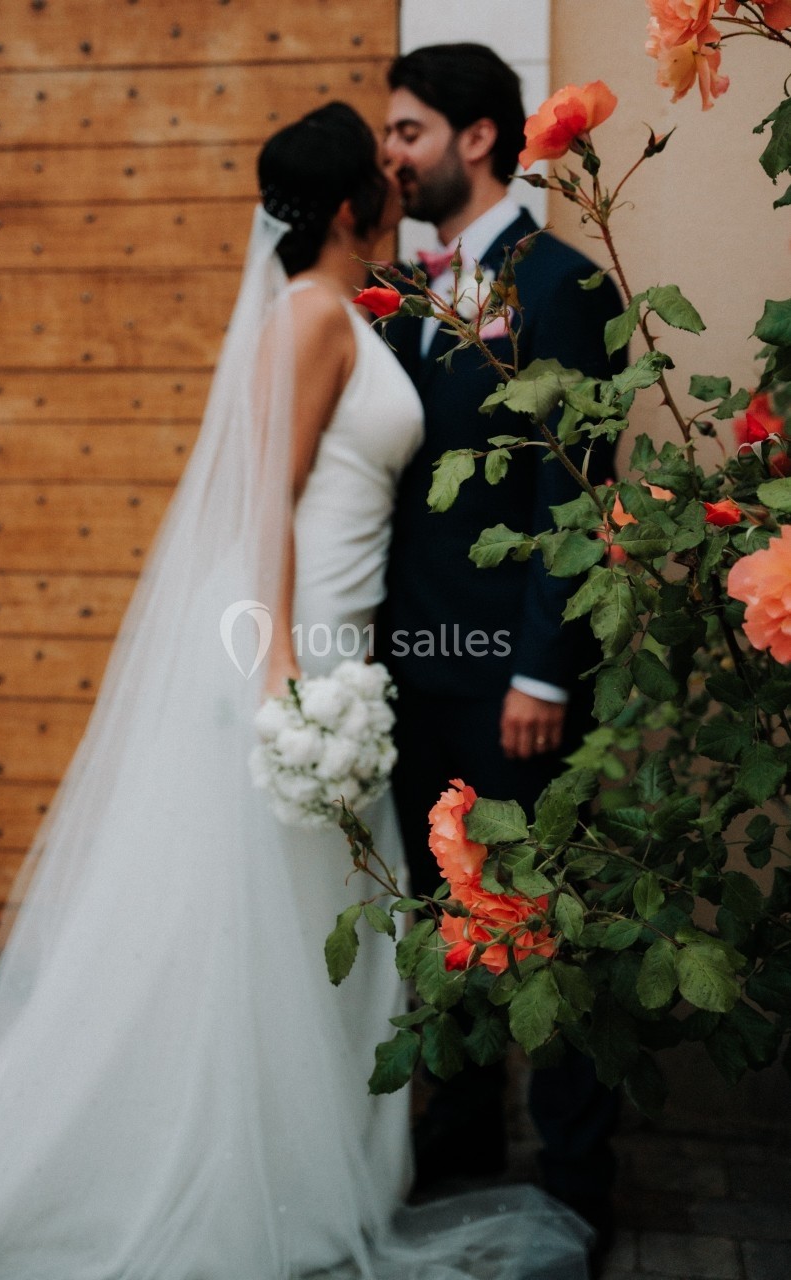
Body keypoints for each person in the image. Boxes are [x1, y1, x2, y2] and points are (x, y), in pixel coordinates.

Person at [0, 102, 593, 1280]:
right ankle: (238, 1172)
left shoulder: (342, 310)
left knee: (305, 939)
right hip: (283, 660)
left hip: (332, 660)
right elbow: (265, 507)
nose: (400, 176)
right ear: (354, 207)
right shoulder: (309, 321)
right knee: (266, 938)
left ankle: (307, 1167)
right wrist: (283, 667)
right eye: (382, 167)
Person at [379, 42, 623, 1251]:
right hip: (414, 672)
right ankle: (464, 1154)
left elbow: (573, 501)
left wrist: (542, 668)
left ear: (477, 138)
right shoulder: (406, 290)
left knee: (543, 914)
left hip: (510, 682)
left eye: (409, 130)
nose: (392, 153)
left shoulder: (564, 285)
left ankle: (576, 1185)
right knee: (445, 924)